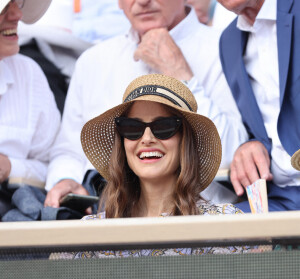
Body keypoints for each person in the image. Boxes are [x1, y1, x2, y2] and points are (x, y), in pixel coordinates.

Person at [44, 0, 248, 208]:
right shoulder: (93, 61)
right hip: (106, 216)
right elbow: (69, 149)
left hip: (198, 219)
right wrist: (65, 179)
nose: (142, 2)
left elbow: (232, 154)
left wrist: (180, 74)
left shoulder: (223, 49)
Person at [57, 73, 248, 258]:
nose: (147, 138)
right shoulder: (87, 235)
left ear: (185, 140)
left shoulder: (224, 225)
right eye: (132, 128)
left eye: (163, 126)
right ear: (122, 143)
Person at [218, 0, 300, 211]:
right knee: (203, 234)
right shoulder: (229, 41)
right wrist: (252, 144)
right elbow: (261, 125)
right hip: (279, 197)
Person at [0, 0, 60, 219]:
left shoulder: (28, 73)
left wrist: (9, 167)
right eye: (5, 7)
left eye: (16, 3)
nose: (17, 14)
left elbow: (52, 166)